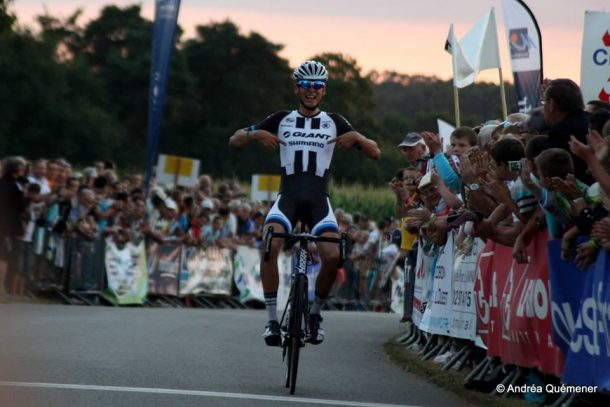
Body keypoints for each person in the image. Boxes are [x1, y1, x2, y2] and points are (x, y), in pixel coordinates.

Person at [229, 60, 380, 346]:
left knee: (334, 256)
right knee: (270, 243)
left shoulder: (335, 121)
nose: (312, 91)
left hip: (319, 201)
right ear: (296, 87)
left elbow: (375, 153)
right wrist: (255, 133)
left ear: (324, 90)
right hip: (288, 198)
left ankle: (314, 314)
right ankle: (272, 320)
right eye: (307, 85)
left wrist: (358, 136)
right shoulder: (280, 118)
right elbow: (233, 140)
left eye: (317, 86)